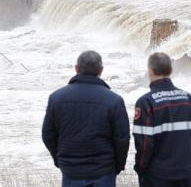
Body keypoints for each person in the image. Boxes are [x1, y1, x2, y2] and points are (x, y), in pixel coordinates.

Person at [42, 51, 130, 187]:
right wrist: (117, 166)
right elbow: (122, 139)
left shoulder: (56, 98)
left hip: (71, 171)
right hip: (103, 171)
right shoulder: (114, 101)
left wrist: (60, 160)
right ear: (100, 70)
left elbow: (48, 134)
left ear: (76, 69)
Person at [133, 52, 191, 187]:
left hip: (157, 177)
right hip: (184, 174)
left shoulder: (146, 103)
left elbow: (144, 145)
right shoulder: (190, 100)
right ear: (171, 70)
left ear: (150, 71)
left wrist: (140, 170)